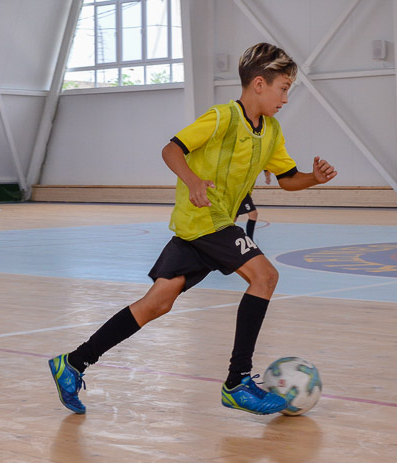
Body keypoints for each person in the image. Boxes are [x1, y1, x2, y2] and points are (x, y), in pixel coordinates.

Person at [48, 42, 337, 416]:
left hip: (205, 226)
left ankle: (73, 363)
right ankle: (237, 382)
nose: (285, 98)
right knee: (265, 277)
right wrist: (193, 180)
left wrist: (314, 178)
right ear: (260, 84)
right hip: (204, 220)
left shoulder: (272, 131)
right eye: (283, 89)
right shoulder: (221, 118)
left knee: (156, 303)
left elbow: (287, 178)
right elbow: (171, 150)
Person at [236, 170, 272, 239]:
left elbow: (266, 168)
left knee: (233, 218)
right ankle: (250, 240)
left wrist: (268, 177)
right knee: (253, 214)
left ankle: (222, 238)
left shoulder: (259, 161)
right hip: (240, 190)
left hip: (241, 190)